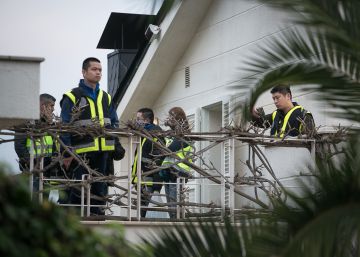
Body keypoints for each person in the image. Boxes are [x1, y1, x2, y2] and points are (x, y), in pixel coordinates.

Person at [60, 57, 119, 215]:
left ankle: (98, 220)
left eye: (100, 70)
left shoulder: (106, 97)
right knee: (79, 190)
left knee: (100, 189)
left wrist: (116, 145)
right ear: (84, 72)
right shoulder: (72, 96)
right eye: (94, 69)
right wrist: (67, 153)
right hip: (80, 153)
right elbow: (64, 126)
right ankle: (76, 223)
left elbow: (114, 123)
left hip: (103, 152)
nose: (98, 72)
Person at [14, 93, 58, 196]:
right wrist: (31, 164)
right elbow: (19, 146)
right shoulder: (26, 122)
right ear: (42, 105)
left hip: (46, 168)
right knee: (34, 199)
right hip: (32, 169)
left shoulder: (50, 123)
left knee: (44, 201)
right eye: (51, 106)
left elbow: (54, 145)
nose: (52, 109)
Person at [160, 107, 194, 219]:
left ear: (178, 118)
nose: (169, 119)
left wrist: (162, 150)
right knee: (170, 204)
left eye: (171, 117)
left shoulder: (184, 135)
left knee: (174, 204)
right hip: (169, 172)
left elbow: (170, 149)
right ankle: (173, 221)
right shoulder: (172, 134)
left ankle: (176, 223)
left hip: (179, 173)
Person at [131, 108, 164, 218]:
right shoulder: (144, 134)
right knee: (143, 211)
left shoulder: (156, 134)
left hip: (149, 179)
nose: (136, 121)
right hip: (141, 178)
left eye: (139, 119)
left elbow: (159, 159)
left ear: (147, 120)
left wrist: (156, 184)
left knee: (147, 212)